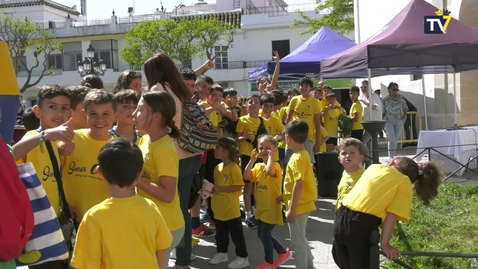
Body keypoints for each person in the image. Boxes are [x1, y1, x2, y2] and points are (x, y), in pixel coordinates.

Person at [71, 138, 173, 269]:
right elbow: (162, 251)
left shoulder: (93, 217)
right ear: (139, 175)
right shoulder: (150, 207)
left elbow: (86, 264)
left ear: (100, 173)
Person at [143, 53, 204, 269]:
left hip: (170, 156)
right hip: (191, 156)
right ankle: (183, 260)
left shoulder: (157, 90)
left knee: (166, 207)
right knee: (182, 211)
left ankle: (162, 257)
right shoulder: (180, 90)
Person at [333, 157, 443, 269]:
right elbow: (392, 214)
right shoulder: (404, 182)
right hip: (362, 224)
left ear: (392, 162)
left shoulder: (373, 167)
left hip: (340, 215)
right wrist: (385, 244)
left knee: (344, 262)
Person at [13, 85, 74, 269]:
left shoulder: (54, 143)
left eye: (64, 108)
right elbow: (9, 156)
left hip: (53, 222)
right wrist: (44, 135)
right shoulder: (34, 136)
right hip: (37, 227)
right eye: (52, 106)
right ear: (38, 111)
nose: (59, 113)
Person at [133, 91, 185, 262]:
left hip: (166, 226)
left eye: (140, 109)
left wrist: (136, 180)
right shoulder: (144, 139)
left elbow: (168, 195)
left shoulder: (164, 149)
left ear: (156, 116)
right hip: (152, 224)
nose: (134, 114)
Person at [60, 90, 117, 220]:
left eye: (106, 114)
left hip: (107, 219)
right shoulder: (71, 139)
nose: (100, 119)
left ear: (115, 116)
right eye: (93, 114)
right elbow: (55, 177)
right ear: (84, 114)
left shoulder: (120, 147)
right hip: (73, 218)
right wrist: (66, 206)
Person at [243, 135, 291, 269]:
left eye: (268, 148)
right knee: (263, 234)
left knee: (264, 234)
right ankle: (282, 252)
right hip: (261, 207)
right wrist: (251, 161)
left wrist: (270, 157)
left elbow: (270, 172)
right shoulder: (258, 166)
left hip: (271, 206)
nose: (264, 151)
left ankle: (269, 262)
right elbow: (246, 176)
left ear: (275, 149)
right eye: (261, 148)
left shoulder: (275, 165)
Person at [279, 120, 317, 269]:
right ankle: (310, 265)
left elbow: (299, 183)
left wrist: (292, 209)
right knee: (302, 238)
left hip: (298, 205)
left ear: (288, 138)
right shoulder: (304, 154)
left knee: (297, 241)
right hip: (302, 203)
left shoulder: (296, 158)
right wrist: (284, 196)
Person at [209, 137, 249, 269]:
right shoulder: (217, 168)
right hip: (219, 208)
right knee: (220, 234)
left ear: (226, 151)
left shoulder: (234, 168)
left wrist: (221, 189)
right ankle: (222, 253)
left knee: (236, 235)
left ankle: (243, 257)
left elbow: (238, 186)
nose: (215, 150)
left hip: (231, 209)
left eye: (218, 148)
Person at [236, 94, 263, 228]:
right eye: (250, 102)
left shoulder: (263, 121)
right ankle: (248, 214)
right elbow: (237, 139)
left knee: (258, 186)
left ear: (260, 106)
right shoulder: (242, 120)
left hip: (260, 158)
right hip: (247, 156)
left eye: (256, 102)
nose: (253, 104)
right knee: (248, 186)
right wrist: (244, 137)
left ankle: (258, 213)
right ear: (246, 105)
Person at [335, 138, 365, 211]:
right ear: (339, 159)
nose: (348, 156)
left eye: (352, 153)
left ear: (361, 158)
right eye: (344, 153)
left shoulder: (364, 176)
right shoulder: (345, 173)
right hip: (341, 216)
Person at [382, 82, 408, 159]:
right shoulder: (385, 100)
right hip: (388, 120)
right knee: (392, 138)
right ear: (389, 89)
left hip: (399, 120)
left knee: (395, 139)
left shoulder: (401, 98)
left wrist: (405, 115)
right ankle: (391, 157)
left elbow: (405, 108)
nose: (395, 91)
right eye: (394, 89)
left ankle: (393, 156)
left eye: (397, 89)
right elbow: (382, 111)